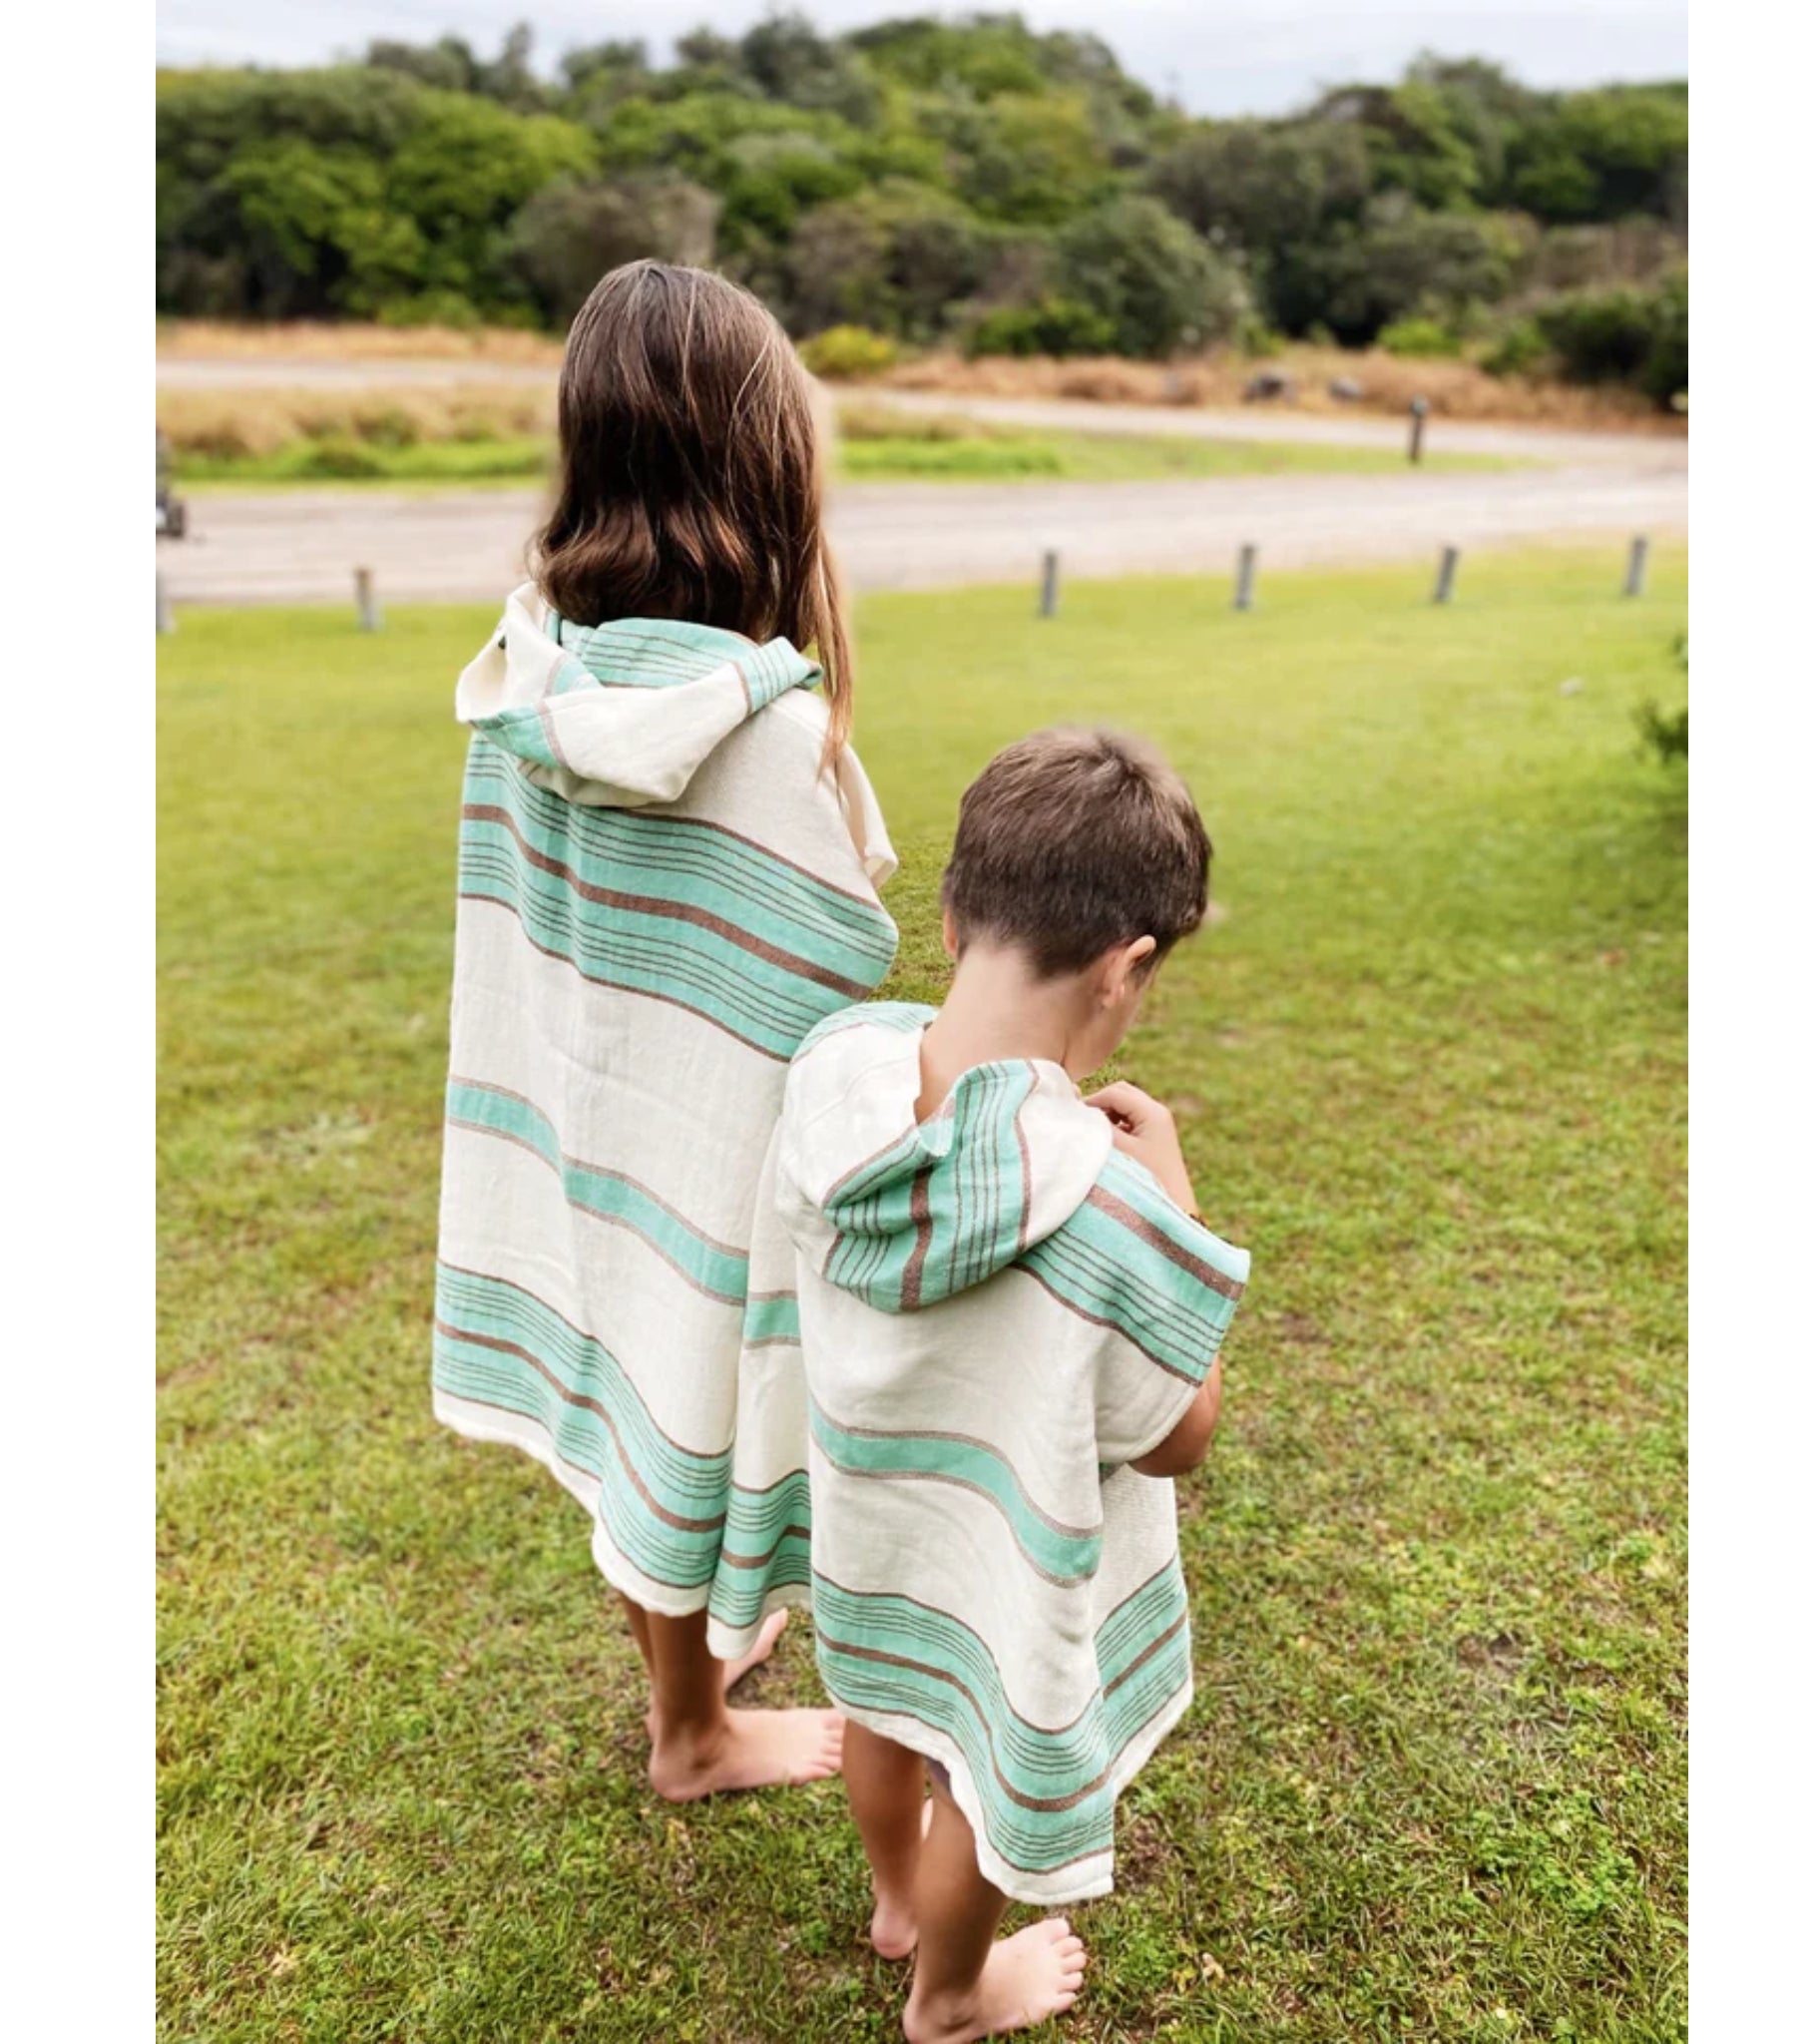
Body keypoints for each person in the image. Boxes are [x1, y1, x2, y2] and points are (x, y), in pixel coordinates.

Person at [432, 260, 899, 1801]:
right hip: (705, 1181)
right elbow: (837, 969)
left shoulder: (524, 682)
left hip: (577, 1140)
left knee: (629, 1408)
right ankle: (691, 1735)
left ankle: (691, 1678)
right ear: (767, 468)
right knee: (686, 1406)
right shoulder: (770, 736)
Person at [721, 727, 1249, 2040]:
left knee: (884, 1714)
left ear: (953, 920)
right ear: (1126, 970)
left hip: (873, 1527)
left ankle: (897, 1903)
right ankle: (949, 1995)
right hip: (1001, 1576)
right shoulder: (1110, 1212)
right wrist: (1174, 1201)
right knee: (976, 1786)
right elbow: (1179, 1434)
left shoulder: (830, 1080)